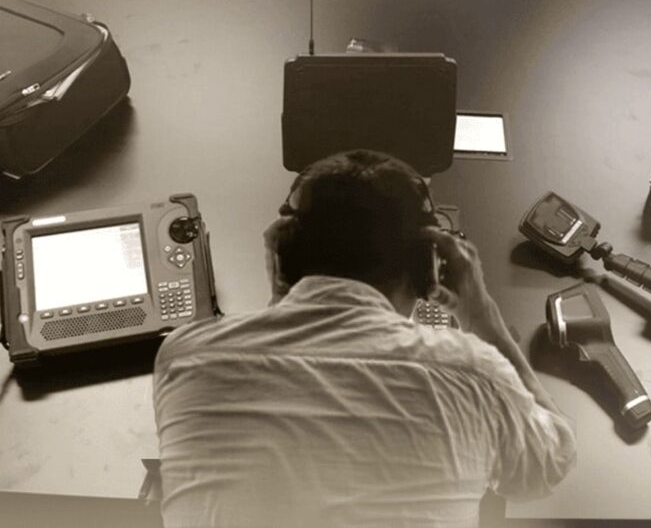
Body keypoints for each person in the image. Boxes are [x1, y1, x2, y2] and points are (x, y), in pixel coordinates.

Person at [153, 150, 576, 527]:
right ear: (425, 267)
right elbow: (545, 468)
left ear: (284, 254)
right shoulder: (474, 373)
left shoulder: (186, 356)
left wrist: (282, 296)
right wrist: (481, 314)